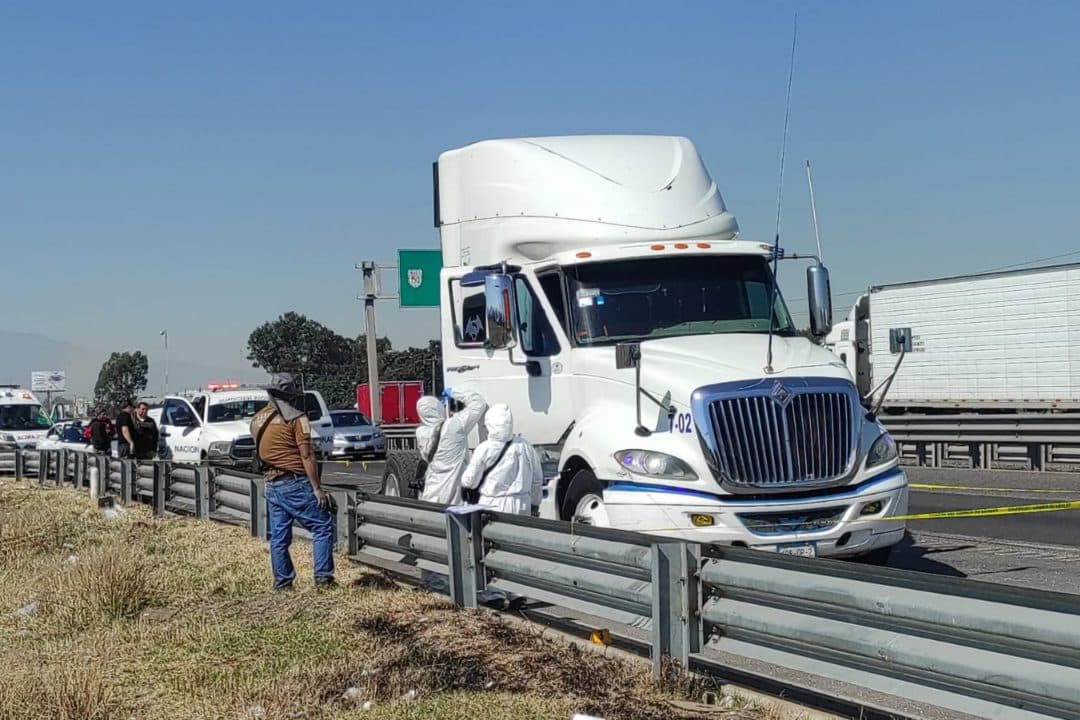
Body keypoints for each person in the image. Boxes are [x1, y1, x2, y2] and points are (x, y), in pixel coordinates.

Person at [250, 373, 335, 591]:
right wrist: (317, 488)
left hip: (271, 482)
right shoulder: (297, 419)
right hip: (293, 481)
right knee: (322, 525)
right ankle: (324, 578)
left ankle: (283, 583)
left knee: (279, 536)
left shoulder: (258, 418)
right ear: (292, 396)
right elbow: (306, 455)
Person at [460, 404, 543, 514]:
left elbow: (470, 481)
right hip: (522, 505)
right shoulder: (526, 446)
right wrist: (535, 503)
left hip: (493, 505)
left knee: (496, 531)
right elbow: (537, 479)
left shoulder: (484, 448)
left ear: (490, 425)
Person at [415, 387, 487, 505]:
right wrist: (454, 392)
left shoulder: (421, 432)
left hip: (431, 492)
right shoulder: (454, 425)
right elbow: (478, 403)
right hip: (453, 493)